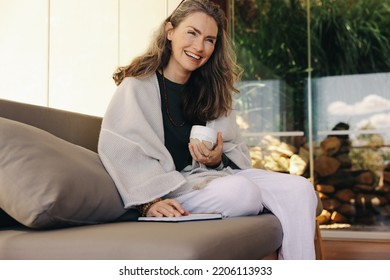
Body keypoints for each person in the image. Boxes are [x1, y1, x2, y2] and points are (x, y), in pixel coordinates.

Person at [98, 0, 318, 260]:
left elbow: (235, 153)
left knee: (301, 189)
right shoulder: (136, 88)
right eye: (192, 33)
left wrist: (217, 159)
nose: (199, 47)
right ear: (170, 31)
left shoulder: (211, 91)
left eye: (209, 40)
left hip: (212, 178)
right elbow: (122, 151)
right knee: (242, 194)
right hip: (171, 186)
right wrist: (150, 202)